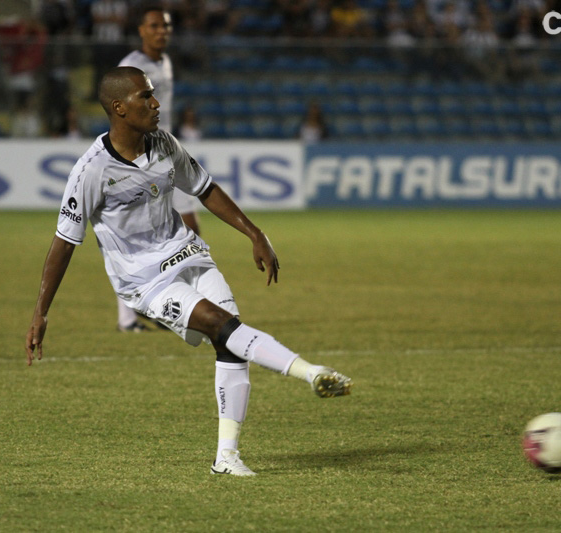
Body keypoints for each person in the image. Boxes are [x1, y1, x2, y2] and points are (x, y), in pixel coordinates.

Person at [24, 66, 353, 476]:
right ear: (119, 108)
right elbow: (64, 243)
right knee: (221, 323)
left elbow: (205, 188)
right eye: (146, 96)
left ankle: (226, 457)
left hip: (189, 255)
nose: (156, 103)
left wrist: (256, 234)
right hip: (145, 282)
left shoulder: (163, 143)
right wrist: (41, 312)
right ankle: (312, 372)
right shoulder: (91, 171)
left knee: (229, 341)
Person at [117, 4, 202, 332]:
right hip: (142, 157)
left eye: (165, 26)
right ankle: (128, 317)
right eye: (154, 26)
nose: (161, 31)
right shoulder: (130, 66)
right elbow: (120, 113)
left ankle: (177, 305)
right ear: (141, 30)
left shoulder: (164, 62)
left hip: (167, 151)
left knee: (189, 228)